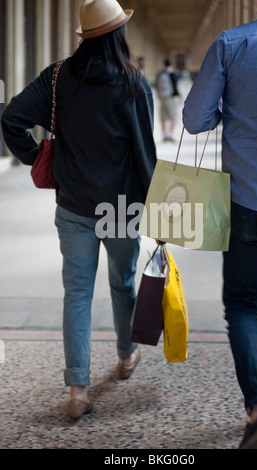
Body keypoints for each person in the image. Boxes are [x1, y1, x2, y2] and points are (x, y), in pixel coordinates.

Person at [1, 0, 157, 420]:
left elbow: (12, 117)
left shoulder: (57, 77)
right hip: (121, 207)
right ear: (119, 33)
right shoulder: (133, 83)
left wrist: (34, 157)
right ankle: (125, 358)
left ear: (86, 37)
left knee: (77, 294)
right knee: (122, 284)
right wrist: (157, 211)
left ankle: (77, 390)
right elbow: (145, 155)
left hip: (73, 206)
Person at [183, 0, 257, 449]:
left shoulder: (232, 42)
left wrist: (226, 114)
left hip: (249, 197)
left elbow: (195, 119)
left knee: (242, 305)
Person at [156, 58, 180, 142]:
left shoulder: (160, 74)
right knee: (173, 116)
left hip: (162, 98)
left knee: (163, 117)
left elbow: (156, 86)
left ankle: (164, 135)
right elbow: (176, 86)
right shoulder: (172, 74)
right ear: (171, 64)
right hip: (170, 98)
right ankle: (170, 134)